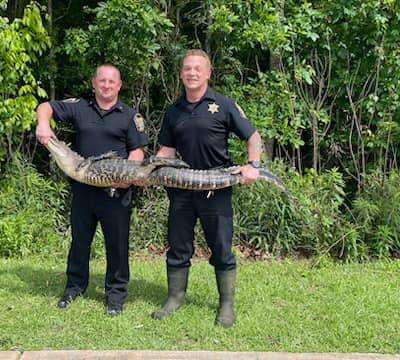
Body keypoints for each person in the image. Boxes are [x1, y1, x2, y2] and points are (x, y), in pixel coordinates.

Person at [152, 49, 262, 328]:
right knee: (178, 247)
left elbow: (253, 136)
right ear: (180, 74)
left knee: (222, 248)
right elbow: (166, 150)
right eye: (187, 69)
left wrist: (253, 165)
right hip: (181, 190)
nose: (192, 73)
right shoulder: (173, 110)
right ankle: (175, 298)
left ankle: (226, 305)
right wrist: (153, 168)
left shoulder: (223, 104)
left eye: (197, 68)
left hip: (217, 188)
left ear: (208, 73)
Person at [35, 64, 148, 316]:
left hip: (116, 192)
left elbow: (137, 151)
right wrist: (43, 124)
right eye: (102, 81)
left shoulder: (129, 116)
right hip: (83, 190)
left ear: (119, 85)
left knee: (117, 245)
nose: (106, 85)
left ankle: (115, 295)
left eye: (112, 82)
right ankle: (74, 287)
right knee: (79, 242)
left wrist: (127, 177)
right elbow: (46, 106)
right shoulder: (80, 107)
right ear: (94, 83)